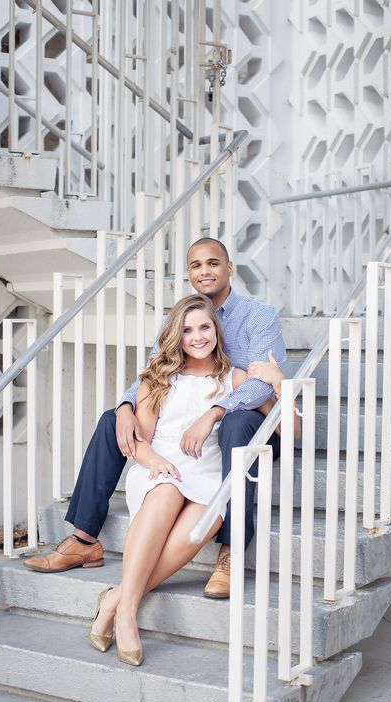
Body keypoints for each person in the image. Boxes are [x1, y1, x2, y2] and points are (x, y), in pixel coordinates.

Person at [24, 237, 286, 598]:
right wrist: (126, 407)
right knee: (110, 420)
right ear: (188, 274)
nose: (205, 271)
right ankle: (84, 537)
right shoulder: (177, 319)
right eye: (196, 265)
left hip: (245, 418)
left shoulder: (258, 316)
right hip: (194, 425)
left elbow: (261, 385)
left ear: (230, 268)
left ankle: (230, 550)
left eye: (213, 263)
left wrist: (216, 410)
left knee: (235, 426)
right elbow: (155, 371)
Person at [87, 294, 296, 665]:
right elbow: (138, 443)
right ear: (176, 337)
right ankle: (128, 615)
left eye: (204, 327)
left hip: (205, 475)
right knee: (166, 493)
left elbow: (291, 430)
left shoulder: (236, 379)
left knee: (209, 518)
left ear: (216, 330)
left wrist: (279, 384)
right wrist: (158, 463)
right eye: (187, 330)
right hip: (160, 468)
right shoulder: (158, 377)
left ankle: (115, 598)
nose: (197, 336)